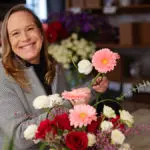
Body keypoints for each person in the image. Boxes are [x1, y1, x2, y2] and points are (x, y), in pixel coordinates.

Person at [0, 4, 108, 150]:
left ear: (41, 31)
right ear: (8, 41)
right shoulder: (3, 75)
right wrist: (69, 105)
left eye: (30, 29)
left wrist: (94, 88)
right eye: (15, 33)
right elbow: (20, 136)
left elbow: (67, 94)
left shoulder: (52, 64)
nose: (25, 38)